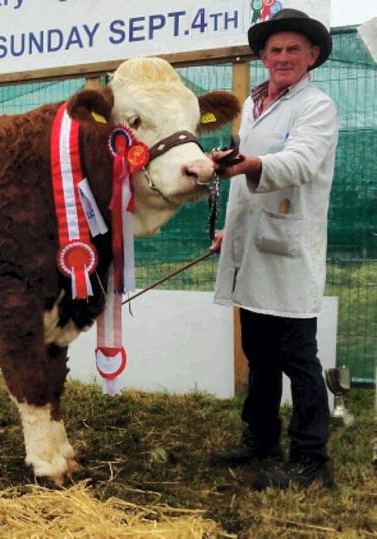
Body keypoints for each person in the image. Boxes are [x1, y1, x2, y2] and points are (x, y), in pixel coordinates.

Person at [208, 8, 338, 490]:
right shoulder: (253, 103)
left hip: (288, 248)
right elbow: (245, 178)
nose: (282, 57)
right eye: (275, 50)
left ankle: (312, 460)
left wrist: (243, 164)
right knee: (258, 351)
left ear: (312, 56)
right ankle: (261, 438)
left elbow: (300, 162)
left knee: (298, 356)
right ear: (263, 56)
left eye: (293, 50)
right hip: (253, 245)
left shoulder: (317, 106)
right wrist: (229, 229)